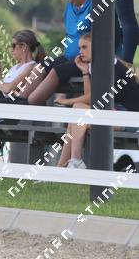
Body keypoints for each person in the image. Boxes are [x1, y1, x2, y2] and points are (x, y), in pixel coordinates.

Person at [56, 33, 139, 168]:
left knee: (77, 111)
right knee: (76, 117)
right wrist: (84, 72)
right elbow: (90, 96)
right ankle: (67, 165)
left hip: (130, 119)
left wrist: (66, 101)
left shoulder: (108, 65)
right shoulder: (95, 65)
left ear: (97, 47)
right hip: (114, 113)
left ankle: (72, 163)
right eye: (79, 48)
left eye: (84, 47)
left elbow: (91, 98)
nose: (80, 51)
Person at [27, 0, 93, 105]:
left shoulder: (96, 6)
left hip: (84, 61)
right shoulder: (70, 6)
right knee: (39, 67)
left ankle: (29, 103)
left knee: (55, 72)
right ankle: (20, 99)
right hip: (68, 57)